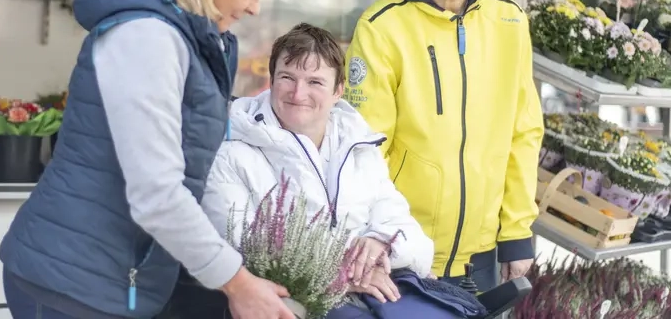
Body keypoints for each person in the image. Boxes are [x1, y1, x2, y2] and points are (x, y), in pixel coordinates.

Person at [0, 0, 296, 319]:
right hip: (72, 283)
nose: (254, 6)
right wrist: (238, 282)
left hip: (116, 280)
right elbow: (157, 193)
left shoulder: (194, 41)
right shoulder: (147, 38)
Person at [196, 24, 487, 319]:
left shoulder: (358, 145)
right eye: (287, 77)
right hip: (292, 306)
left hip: (378, 298)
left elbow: (415, 240)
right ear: (271, 80)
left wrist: (380, 246)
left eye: (315, 82)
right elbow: (243, 245)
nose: (299, 93)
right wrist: (346, 272)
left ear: (338, 91)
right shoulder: (231, 150)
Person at [343, 0, 544, 292]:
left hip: (482, 258)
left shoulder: (510, 20)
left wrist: (517, 233)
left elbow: (523, 132)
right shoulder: (381, 26)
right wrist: (369, 235)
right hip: (400, 252)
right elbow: (363, 146)